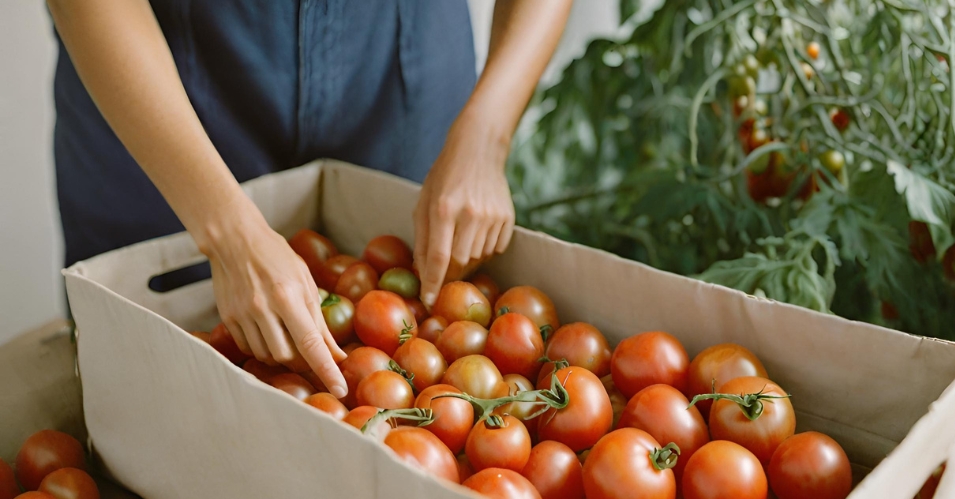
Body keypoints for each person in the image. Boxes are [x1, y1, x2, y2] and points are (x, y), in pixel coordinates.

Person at [47, 1, 572, 398]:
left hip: (401, 48)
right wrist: (226, 231)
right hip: (162, 69)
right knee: (146, 397)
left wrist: (487, 134)